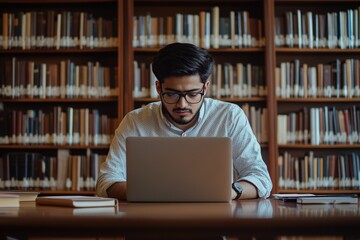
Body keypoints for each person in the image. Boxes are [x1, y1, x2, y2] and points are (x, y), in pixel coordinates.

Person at [96, 42, 272, 200]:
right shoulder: (135, 121)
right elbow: (106, 181)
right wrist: (144, 193)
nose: (182, 104)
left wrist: (232, 191)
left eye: (192, 94)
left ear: (206, 87)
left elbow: (260, 178)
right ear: (158, 87)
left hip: (211, 226)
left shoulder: (229, 116)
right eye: (171, 94)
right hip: (149, 224)